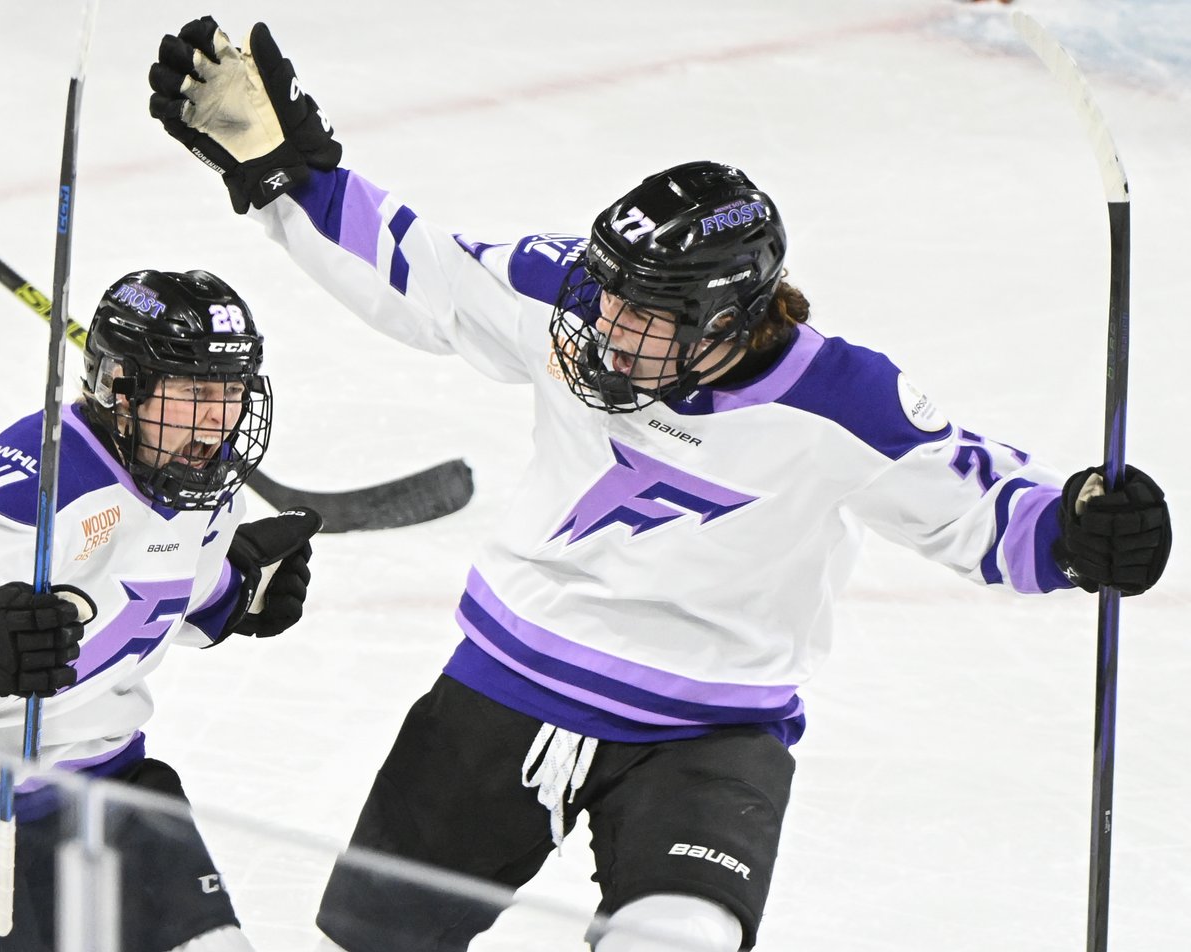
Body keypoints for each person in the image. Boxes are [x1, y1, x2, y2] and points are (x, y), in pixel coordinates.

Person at [148, 21, 1173, 952]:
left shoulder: (843, 402)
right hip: (501, 690)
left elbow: (986, 513)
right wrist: (291, 175)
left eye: (645, 320)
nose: (606, 330)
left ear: (728, 322)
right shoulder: (575, 299)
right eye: (607, 298)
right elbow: (428, 273)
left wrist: (1083, 527)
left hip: (708, 738)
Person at [0, 269, 322, 952]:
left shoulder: (206, 484)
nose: (220, 416)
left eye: (233, 390)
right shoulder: (37, 478)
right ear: (122, 388)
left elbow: (159, 600)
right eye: (195, 391)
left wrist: (241, 592)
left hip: (105, 781)